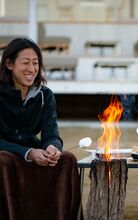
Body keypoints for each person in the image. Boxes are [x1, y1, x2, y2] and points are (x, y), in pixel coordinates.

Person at [0, 38, 81, 220]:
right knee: (2, 161)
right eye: (26, 62)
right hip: (6, 153)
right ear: (9, 64)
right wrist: (28, 152)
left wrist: (52, 147)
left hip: (34, 151)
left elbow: (51, 132)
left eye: (35, 63)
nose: (32, 69)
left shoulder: (45, 95)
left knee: (67, 159)